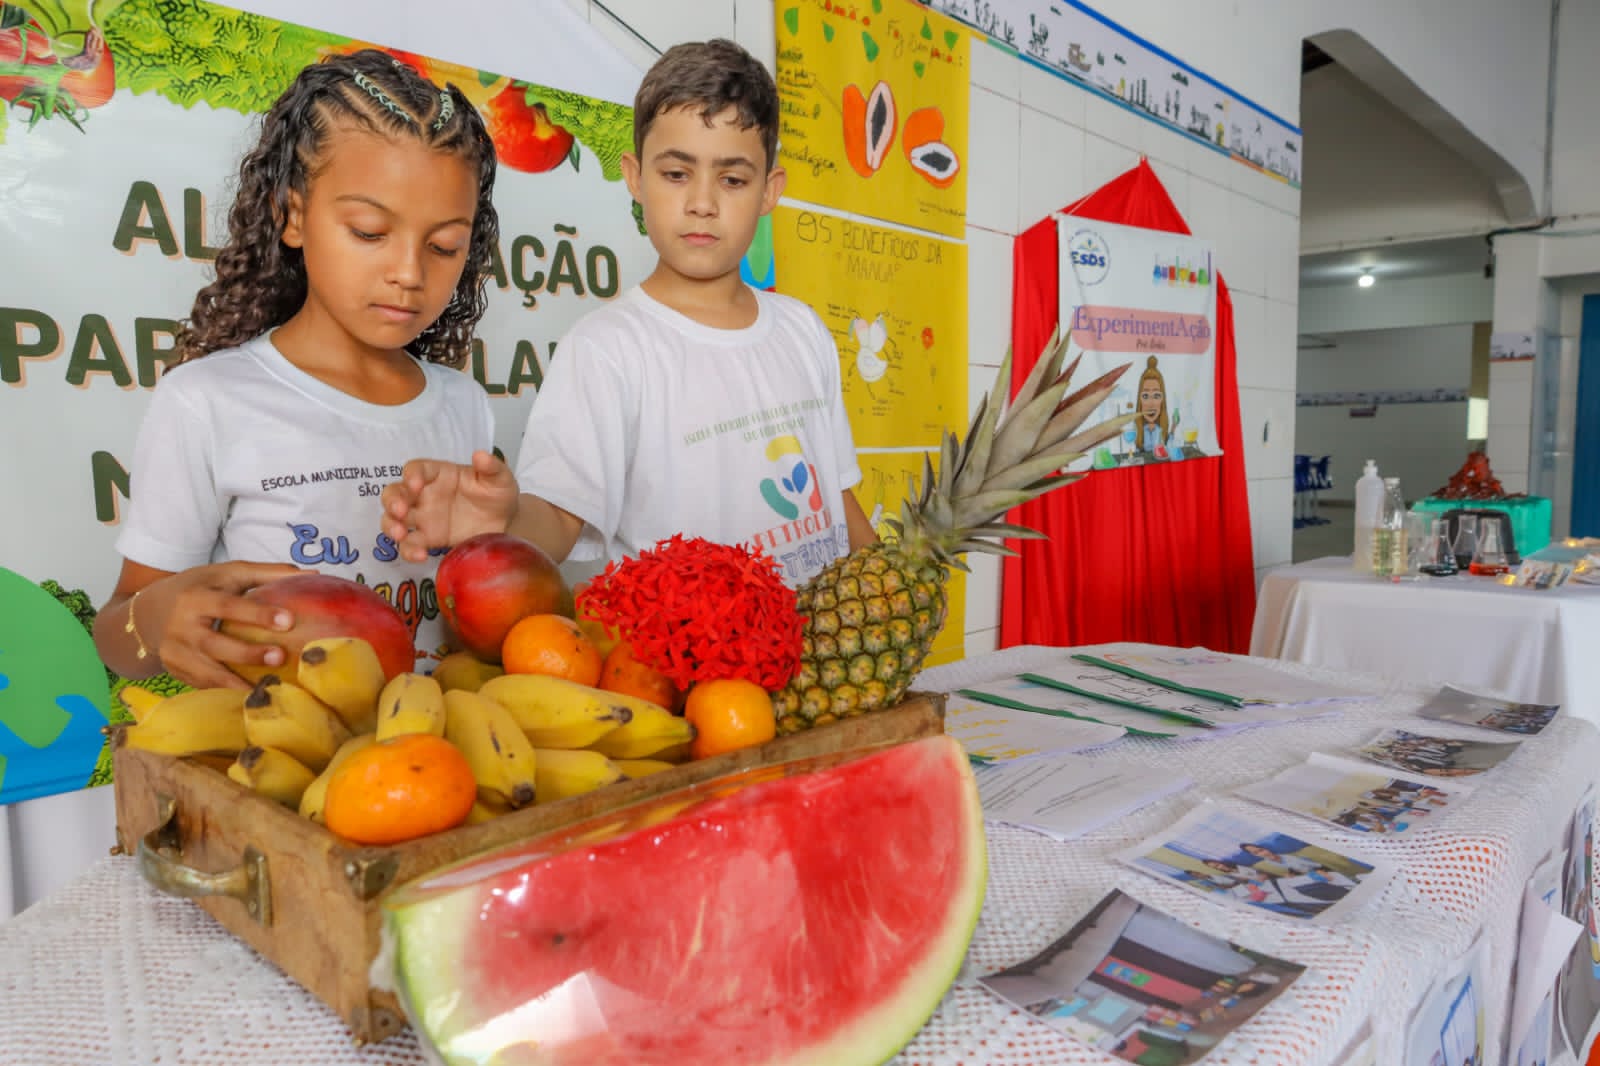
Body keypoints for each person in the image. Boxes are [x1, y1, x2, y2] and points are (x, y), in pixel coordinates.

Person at [381, 39, 877, 586]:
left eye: (733, 179)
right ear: (636, 179)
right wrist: (504, 520)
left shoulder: (803, 329)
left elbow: (838, 495)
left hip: (827, 664)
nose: (703, 203)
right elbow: (559, 519)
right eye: (676, 174)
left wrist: (893, 586)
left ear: (769, 191)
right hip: (693, 666)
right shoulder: (606, 348)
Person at [92, 50, 500, 688]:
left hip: (431, 761)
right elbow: (118, 626)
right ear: (293, 215)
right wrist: (159, 618)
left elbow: (481, 615)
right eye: (369, 231)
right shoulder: (206, 401)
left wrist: (497, 541)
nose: (410, 273)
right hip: (277, 765)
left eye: (445, 244)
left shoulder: (463, 403)